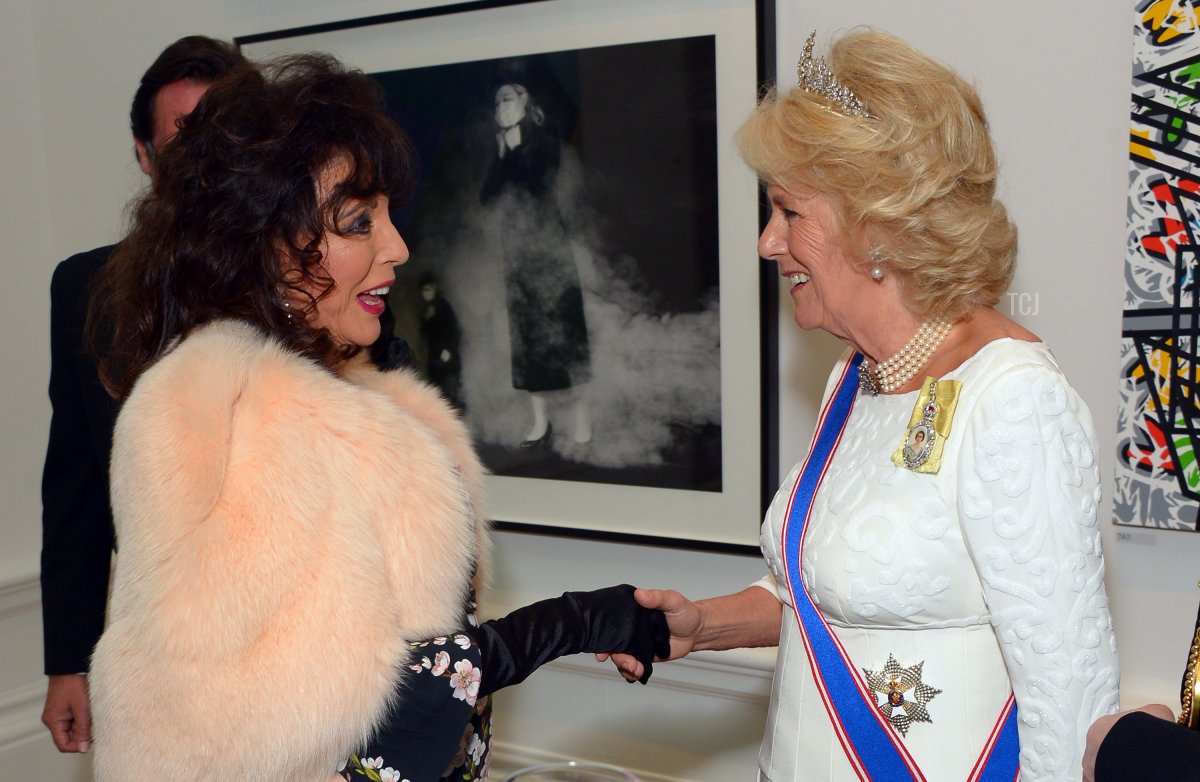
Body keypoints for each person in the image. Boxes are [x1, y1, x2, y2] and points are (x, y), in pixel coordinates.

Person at [85, 54, 665, 782]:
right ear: (263, 240)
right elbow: (314, 722)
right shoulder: (219, 416)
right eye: (359, 221)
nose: (397, 247)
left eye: (388, 214)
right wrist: (574, 623)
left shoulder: (345, 396)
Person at [603, 30, 1119, 780]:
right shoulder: (857, 377)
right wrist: (702, 626)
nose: (767, 241)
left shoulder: (1014, 400)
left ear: (877, 223)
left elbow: (1070, 704)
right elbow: (832, 604)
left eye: (788, 211)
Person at [39, 34, 247, 755]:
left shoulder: (319, 283)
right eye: (186, 135)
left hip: (301, 652)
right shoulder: (87, 292)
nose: (207, 158)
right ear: (144, 155)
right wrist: (68, 661)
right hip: (153, 658)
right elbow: (74, 489)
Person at [480, 81, 592, 447]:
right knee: (528, 340)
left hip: (551, 254)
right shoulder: (501, 145)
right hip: (518, 259)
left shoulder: (543, 138)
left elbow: (538, 187)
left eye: (508, 99)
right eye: (497, 101)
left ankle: (581, 418)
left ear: (525, 102)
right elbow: (489, 198)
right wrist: (502, 154)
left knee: (565, 335)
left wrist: (513, 151)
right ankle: (539, 422)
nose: (501, 106)